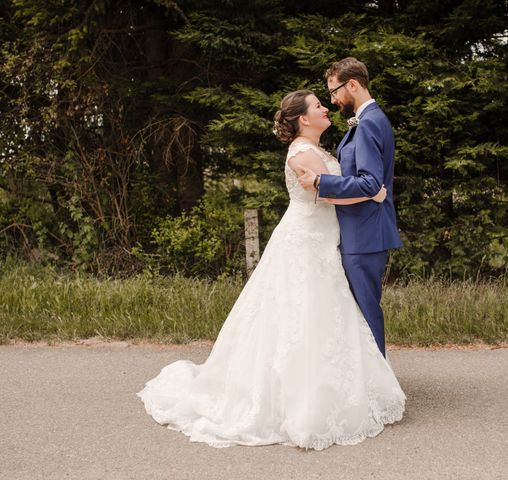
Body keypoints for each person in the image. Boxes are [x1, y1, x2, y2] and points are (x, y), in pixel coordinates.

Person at [136, 89, 405, 451]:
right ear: (303, 119)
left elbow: (331, 185)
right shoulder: (301, 153)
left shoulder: (319, 150)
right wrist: (372, 194)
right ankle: (294, 396)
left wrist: (364, 191)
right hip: (305, 240)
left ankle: (329, 383)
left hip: (321, 240)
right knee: (298, 314)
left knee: (320, 315)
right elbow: (325, 194)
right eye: (317, 106)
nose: (325, 108)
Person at [298, 57, 403, 358]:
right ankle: (368, 382)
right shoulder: (367, 121)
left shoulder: (369, 123)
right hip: (361, 229)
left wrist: (321, 182)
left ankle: (377, 388)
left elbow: (370, 183)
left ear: (353, 84)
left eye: (334, 91)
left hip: (365, 232)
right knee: (359, 311)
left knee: (366, 311)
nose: (332, 100)